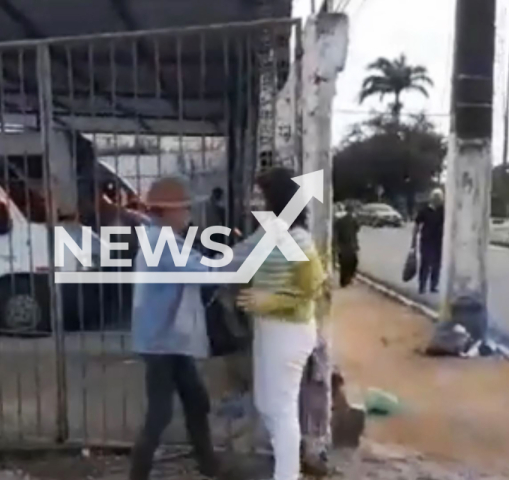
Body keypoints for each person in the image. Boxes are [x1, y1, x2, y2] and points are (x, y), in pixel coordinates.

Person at [230, 167, 326, 480]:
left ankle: (287, 475)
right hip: (272, 330)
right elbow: (236, 258)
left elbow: (313, 286)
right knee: (268, 404)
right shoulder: (271, 234)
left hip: (288, 332)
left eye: (260, 196)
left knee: (280, 408)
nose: (253, 202)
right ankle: (285, 471)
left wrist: (271, 301)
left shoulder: (294, 238)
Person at [130, 177, 219, 480]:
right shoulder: (161, 243)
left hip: (167, 338)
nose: (188, 216)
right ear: (166, 212)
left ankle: (209, 466)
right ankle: (138, 474)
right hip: (161, 341)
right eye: (183, 209)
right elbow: (203, 271)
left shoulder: (161, 239)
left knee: (196, 401)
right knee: (161, 413)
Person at [412, 188, 445, 294]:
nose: (438, 200)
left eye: (439, 198)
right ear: (432, 198)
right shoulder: (425, 210)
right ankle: (422, 285)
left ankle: (433, 285)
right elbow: (417, 224)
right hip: (426, 241)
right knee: (425, 263)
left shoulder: (443, 211)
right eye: (435, 198)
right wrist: (414, 239)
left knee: (437, 264)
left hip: (439, 242)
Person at [334, 203, 360, 287]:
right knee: (349, 262)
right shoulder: (348, 220)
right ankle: (346, 279)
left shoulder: (344, 220)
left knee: (347, 263)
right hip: (346, 244)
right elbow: (357, 229)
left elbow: (356, 229)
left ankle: (345, 279)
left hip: (346, 244)